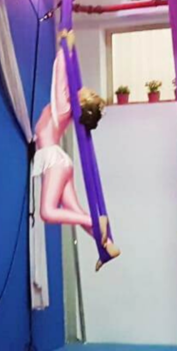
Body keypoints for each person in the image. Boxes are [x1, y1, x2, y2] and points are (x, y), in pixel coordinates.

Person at [33, 31, 120, 270]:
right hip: (60, 162)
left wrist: (66, 49)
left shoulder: (63, 107)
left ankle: (95, 222)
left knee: (47, 212)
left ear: (80, 103)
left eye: (88, 93)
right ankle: (107, 246)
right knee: (74, 210)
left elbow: (59, 78)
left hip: (54, 160)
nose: (84, 88)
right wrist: (68, 50)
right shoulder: (66, 110)